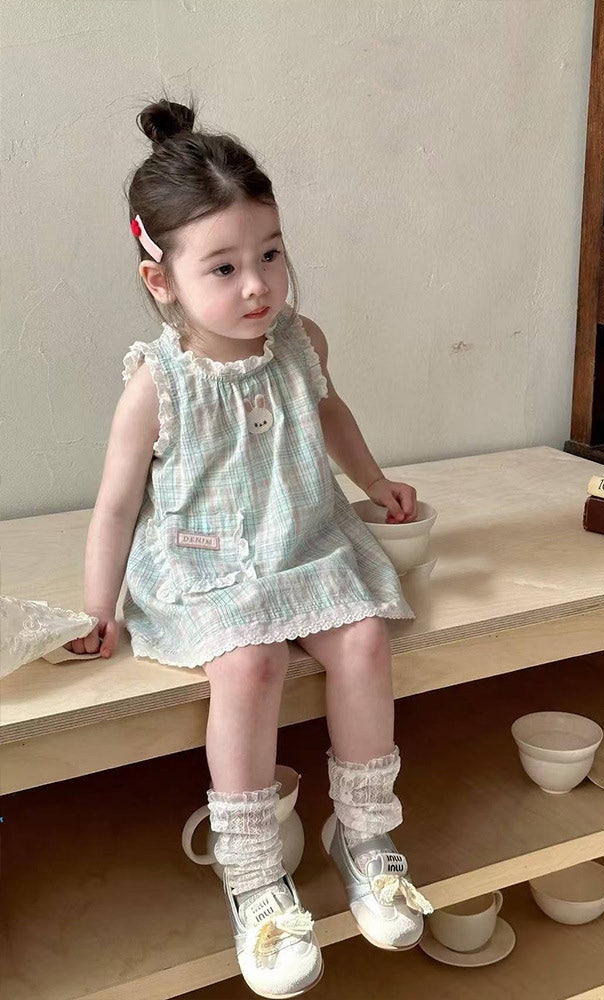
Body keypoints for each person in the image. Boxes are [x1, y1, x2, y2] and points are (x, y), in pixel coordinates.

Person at [66, 97, 433, 998]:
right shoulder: (159, 383)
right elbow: (115, 506)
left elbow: (331, 414)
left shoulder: (300, 345)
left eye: (270, 254)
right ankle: (255, 877)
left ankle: (366, 834)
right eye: (224, 267)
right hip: (205, 564)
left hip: (302, 539)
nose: (257, 285)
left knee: (364, 639)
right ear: (162, 280)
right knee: (251, 665)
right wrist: (99, 606)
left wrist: (372, 479)